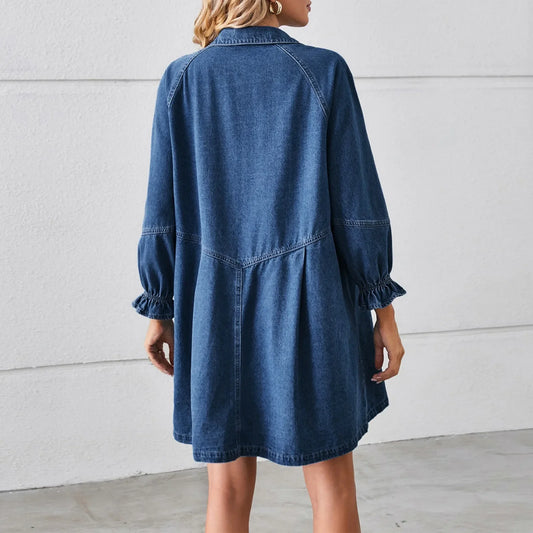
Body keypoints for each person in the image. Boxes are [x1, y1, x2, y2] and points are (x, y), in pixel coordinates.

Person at [131, 1, 407, 531]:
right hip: (312, 304)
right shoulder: (323, 70)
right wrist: (384, 311)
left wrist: (161, 308)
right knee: (332, 485)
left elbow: (160, 213)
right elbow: (358, 210)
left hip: (212, 306)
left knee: (227, 489)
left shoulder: (182, 78)